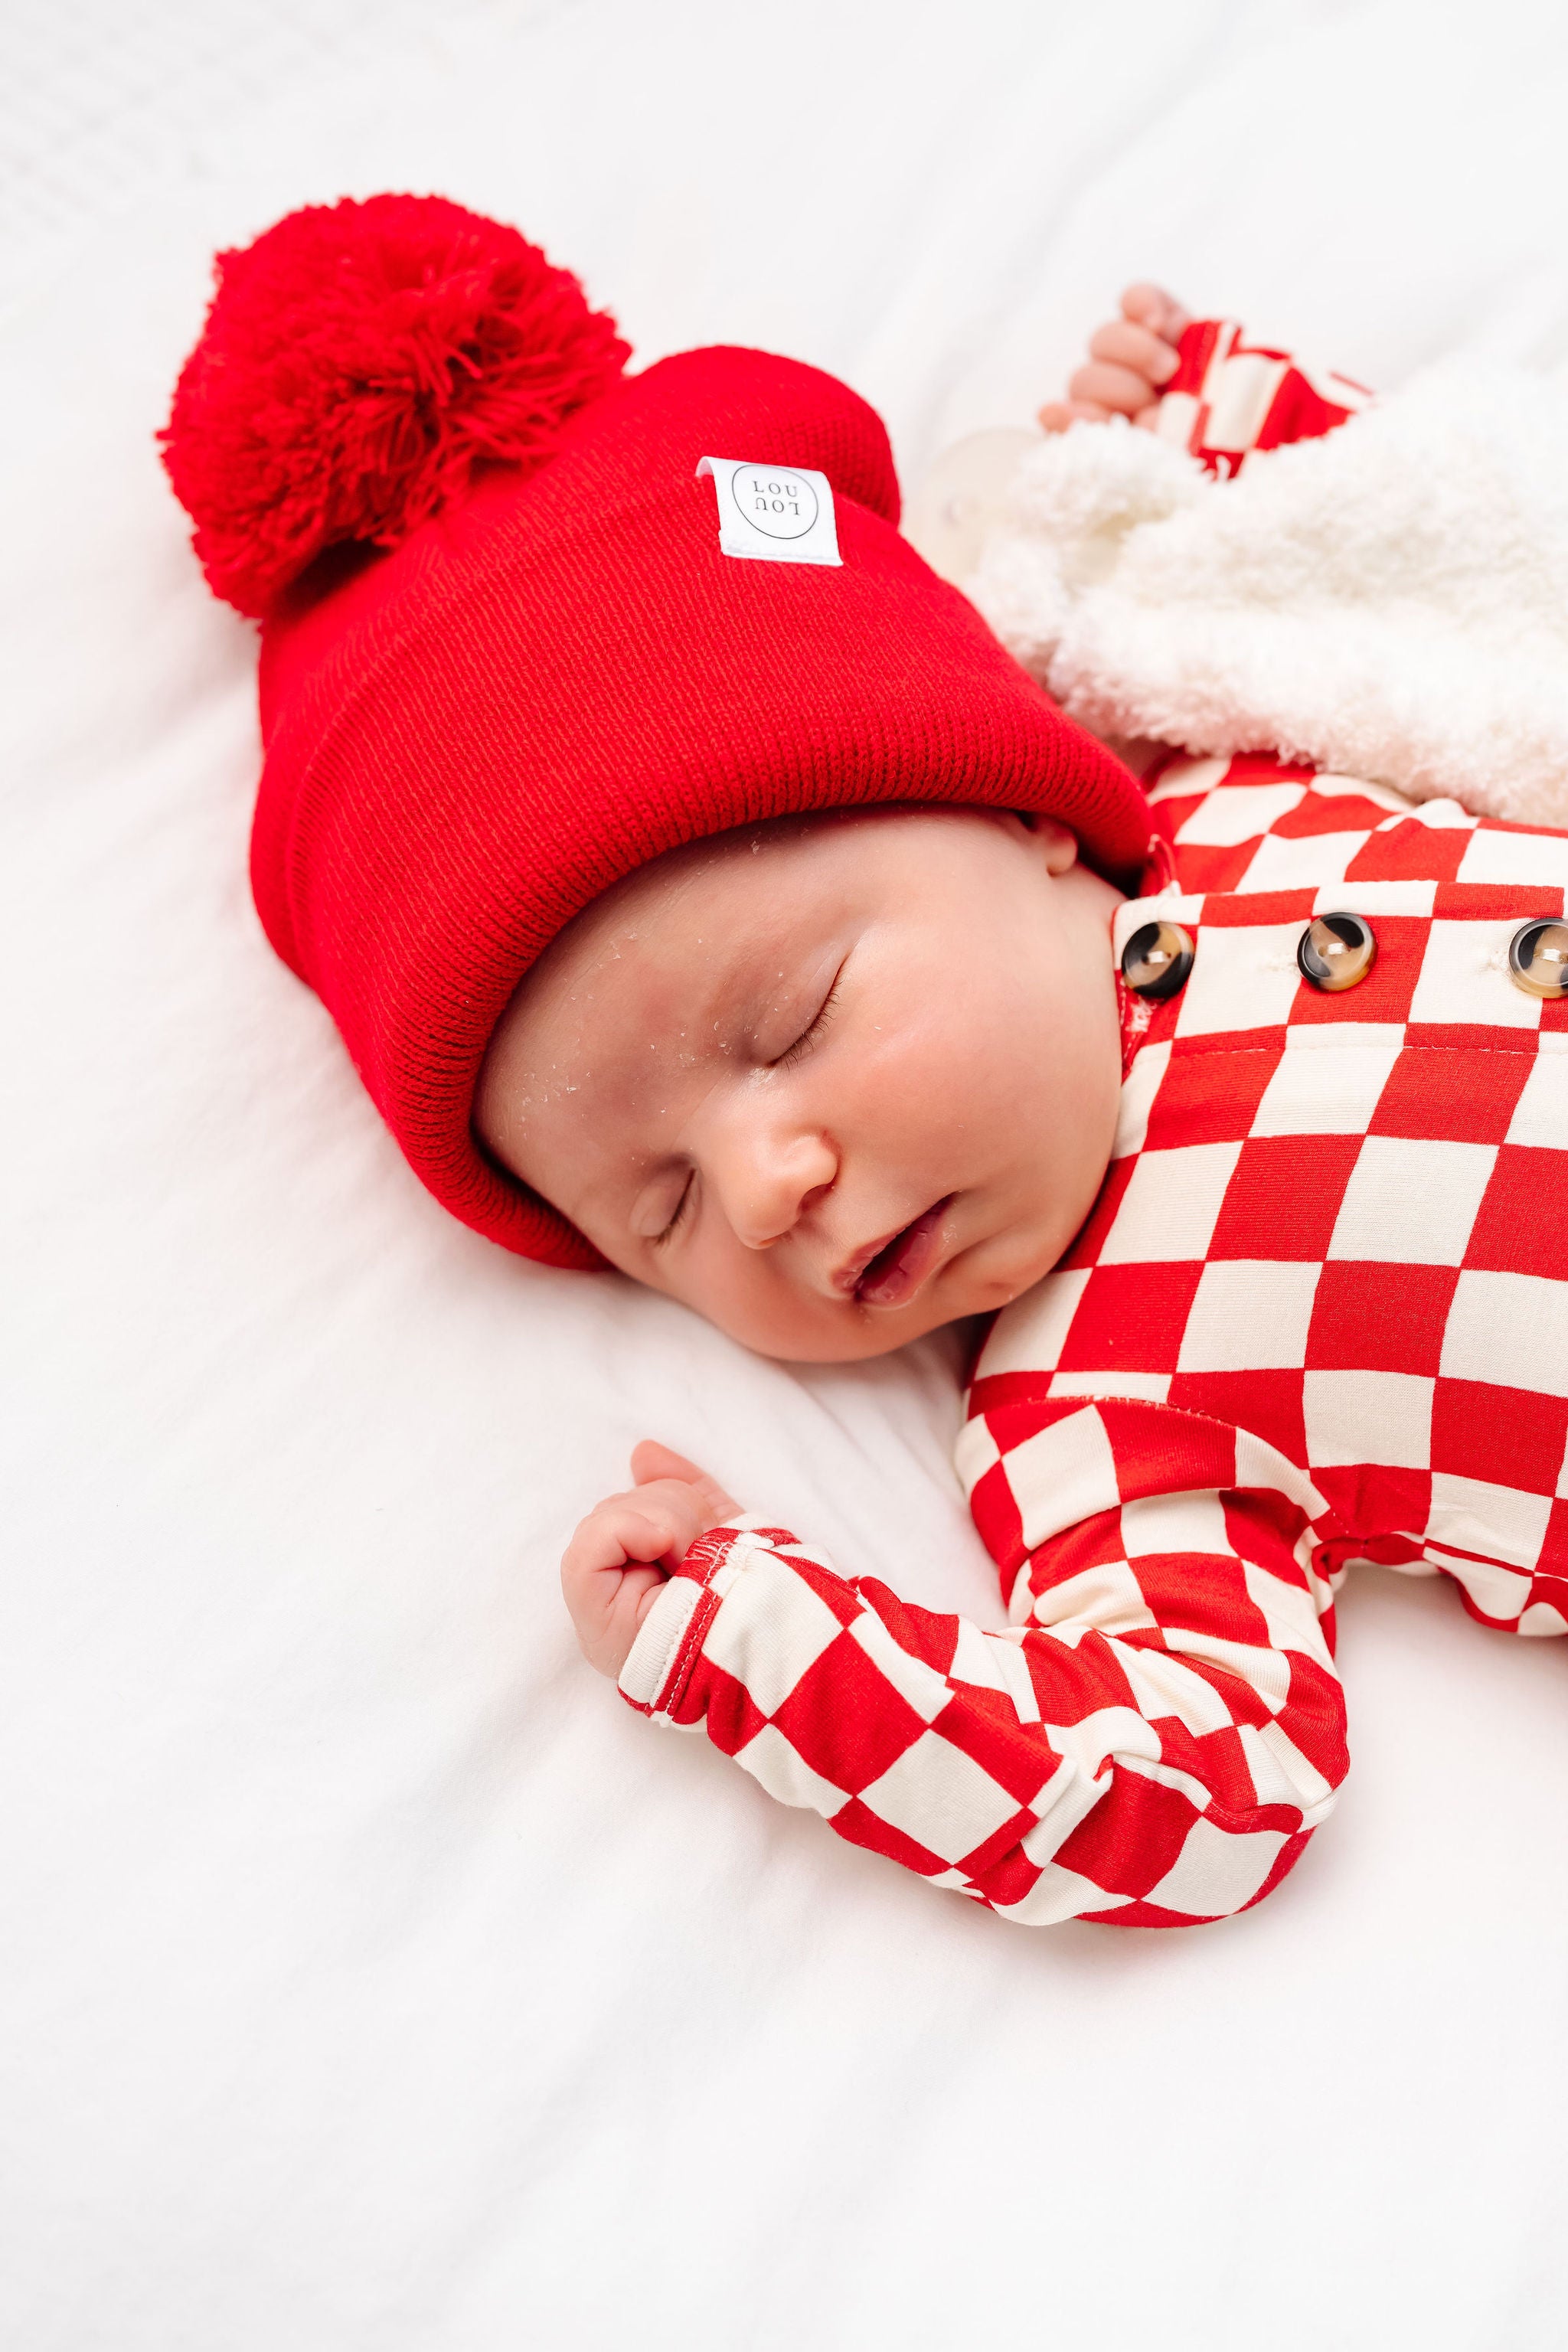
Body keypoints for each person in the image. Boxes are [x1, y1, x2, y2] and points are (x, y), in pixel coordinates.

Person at [163, 198, 1568, 1930]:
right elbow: (1189, 1786)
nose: (765, 1189)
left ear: (1022, 803)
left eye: (793, 1024)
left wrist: (1202, 422)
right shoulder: (1099, 1417)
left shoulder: (1259, 761)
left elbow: (1430, 557)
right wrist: (767, 1646)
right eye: (655, 1208)